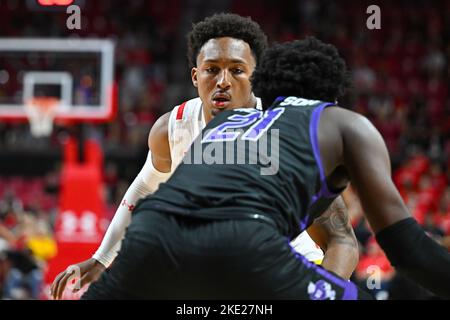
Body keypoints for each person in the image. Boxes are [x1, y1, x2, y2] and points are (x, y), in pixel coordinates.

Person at [82, 37, 450, 300]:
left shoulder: (222, 125)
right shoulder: (343, 123)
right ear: (332, 97)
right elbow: (408, 251)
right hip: (244, 243)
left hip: (149, 235)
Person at [51, 14, 358, 300]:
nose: (223, 81)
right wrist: (101, 259)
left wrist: (323, 293)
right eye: (212, 70)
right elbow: (143, 189)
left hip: (289, 271)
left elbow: (341, 238)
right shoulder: (171, 129)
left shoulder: (286, 125)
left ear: (257, 77)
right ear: (196, 76)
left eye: (237, 70)